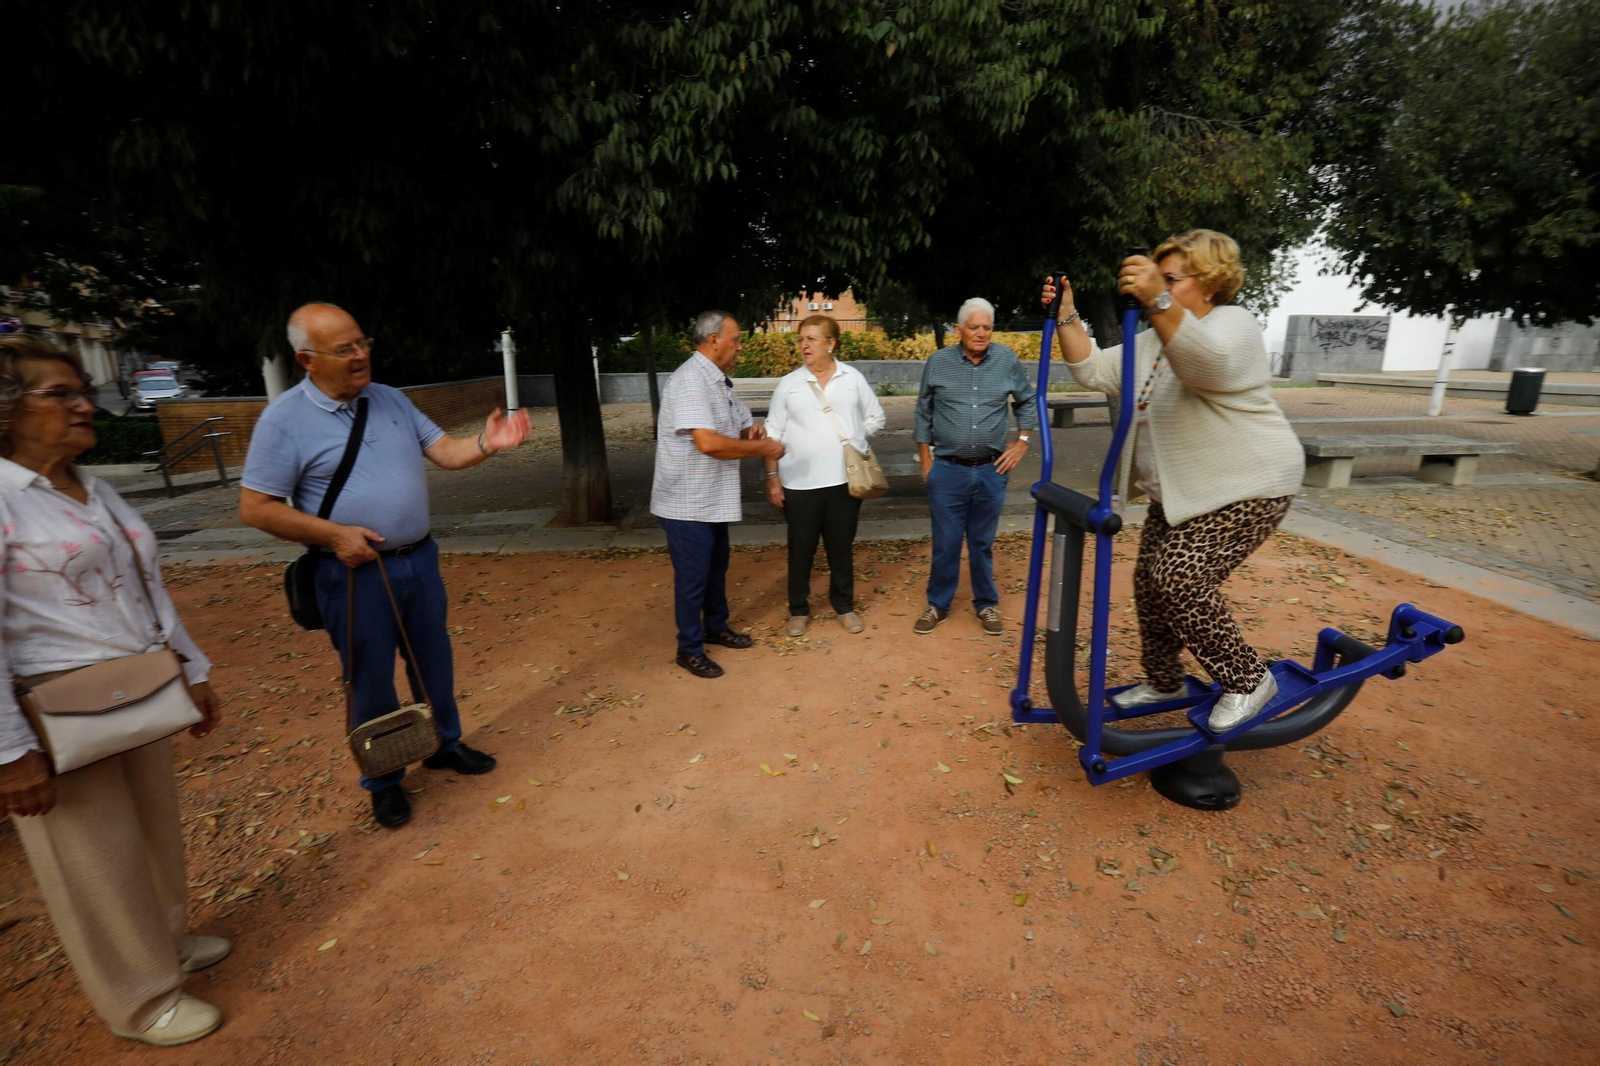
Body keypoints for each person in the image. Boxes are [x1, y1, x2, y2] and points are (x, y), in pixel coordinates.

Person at [0, 334, 229, 1047]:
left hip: (136, 686)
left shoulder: (92, 489)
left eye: (81, 390)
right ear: (6, 410)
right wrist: (10, 753)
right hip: (53, 707)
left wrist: (192, 673)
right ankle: (139, 998)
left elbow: (148, 590)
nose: (83, 404)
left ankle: (166, 942)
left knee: (153, 831)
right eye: (59, 392)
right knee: (93, 861)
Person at [238, 303, 531, 829]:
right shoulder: (283, 420)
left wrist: (489, 443)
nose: (360, 355)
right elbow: (256, 507)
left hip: (419, 560)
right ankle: (384, 779)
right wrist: (333, 535)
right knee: (370, 679)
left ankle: (443, 744)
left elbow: (444, 452)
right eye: (345, 349)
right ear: (306, 359)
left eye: (362, 342)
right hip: (353, 574)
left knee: (432, 662)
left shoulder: (390, 399)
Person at [1041, 229, 1305, 732]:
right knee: (1149, 585)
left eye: (1170, 279)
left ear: (1207, 283)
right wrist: (1067, 314)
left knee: (1180, 578)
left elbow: (1207, 365)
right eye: (1156, 279)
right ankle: (1165, 681)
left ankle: (1249, 679)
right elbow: (1092, 371)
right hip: (1184, 492)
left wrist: (1156, 300)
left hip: (1253, 482)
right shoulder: (1155, 337)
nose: (1158, 288)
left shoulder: (1235, 325)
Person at [651, 310, 784, 678]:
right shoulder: (691, 381)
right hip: (686, 502)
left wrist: (753, 433)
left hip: (710, 499)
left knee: (715, 569)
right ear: (713, 341)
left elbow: (741, 426)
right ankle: (689, 649)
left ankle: (715, 626)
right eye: (735, 339)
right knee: (693, 577)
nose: (740, 347)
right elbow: (708, 442)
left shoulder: (718, 381)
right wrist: (763, 449)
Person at [913, 298, 1038, 636]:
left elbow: (1027, 400)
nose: (981, 333)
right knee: (946, 543)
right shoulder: (938, 363)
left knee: (982, 543)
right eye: (974, 327)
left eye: (987, 327)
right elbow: (923, 412)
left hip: (990, 470)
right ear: (959, 330)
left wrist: (1022, 443)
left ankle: (986, 605)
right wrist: (926, 461)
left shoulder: (1006, 361)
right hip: (948, 470)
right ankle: (937, 605)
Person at [763, 315, 886, 636]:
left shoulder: (852, 378)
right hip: (799, 484)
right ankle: (799, 610)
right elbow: (772, 434)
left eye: (812, 339)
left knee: (841, 547)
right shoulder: (789, 384)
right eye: (801, 339)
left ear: (831, 344)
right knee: (800, 548)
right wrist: (772, 477)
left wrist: (855, 440)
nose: (804, 345)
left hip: (844, 481)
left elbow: (876, 417)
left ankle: (844, 606)